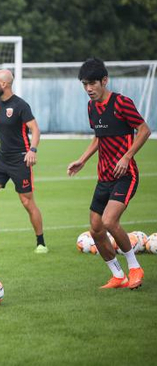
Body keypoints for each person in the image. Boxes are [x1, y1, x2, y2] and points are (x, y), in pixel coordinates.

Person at [68, 58, 150, 290]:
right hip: (104, 177)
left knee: (109, 221)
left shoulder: (122, 103)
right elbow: (98, 137)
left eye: (92, 83)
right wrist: (82, 159)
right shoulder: (91, 106)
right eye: (85, 84)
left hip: (125, 175)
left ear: (104, 80)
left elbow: (144, 130)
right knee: (96, 229)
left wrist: (127, 156)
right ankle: (118, 275)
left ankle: (135, 268)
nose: (88, 88)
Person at [0, 69, 47, 253]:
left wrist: (32, 150)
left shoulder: (21, 105)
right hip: (2, 158)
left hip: (20, 160)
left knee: (27, 202)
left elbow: (35, 129)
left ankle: (41, 242)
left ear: (4, 84)